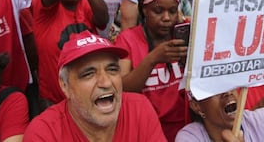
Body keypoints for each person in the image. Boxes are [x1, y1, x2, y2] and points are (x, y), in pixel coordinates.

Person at [23, 30, 167, 141]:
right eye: (88, 74)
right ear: (65, 86)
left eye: (112, 70)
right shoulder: (45, 133)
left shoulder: (139, 109)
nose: (106, 82)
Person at [114, 0, 188, 141]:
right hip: (146, 129)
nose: (167, 18)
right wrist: (152, 59)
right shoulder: (128, 39)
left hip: (185, 128)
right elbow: (120, 89)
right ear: (144, 10)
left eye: (173, 11)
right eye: (158, 11)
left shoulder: (185, 34)